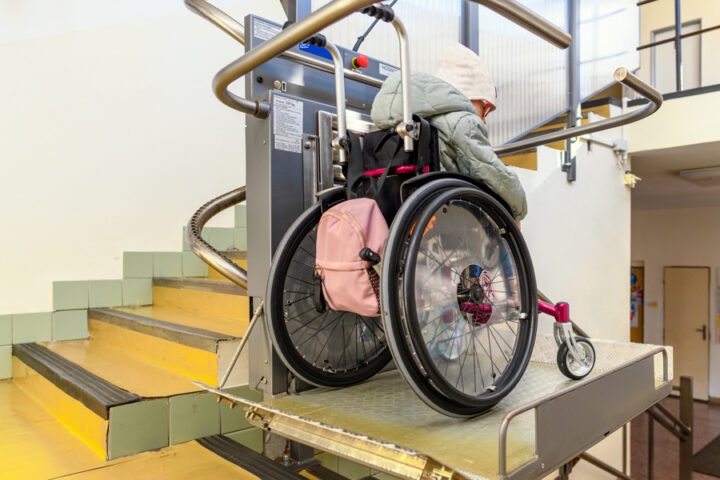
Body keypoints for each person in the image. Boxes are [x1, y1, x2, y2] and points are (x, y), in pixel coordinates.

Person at [370, 43, 527, 221]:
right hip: (445, 217)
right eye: (486, 108)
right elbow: (492, 173)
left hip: (399, 210)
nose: (484, 118)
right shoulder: (463, 121)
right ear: (469, 95)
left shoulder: (409, 119)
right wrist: (520, 206)